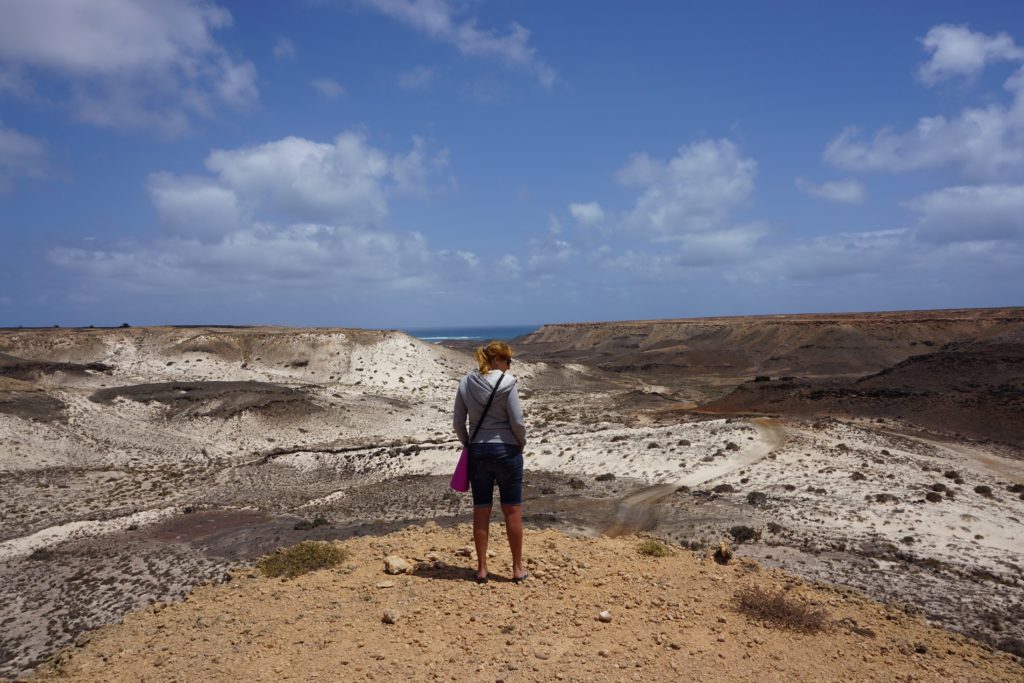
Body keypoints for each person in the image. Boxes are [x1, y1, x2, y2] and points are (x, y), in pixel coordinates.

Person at [453, 340, 528, 584]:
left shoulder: (465, 383)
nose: (509, 366)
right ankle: (517, 569)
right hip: (507, 450)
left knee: (481, 509)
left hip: (478, 452)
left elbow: (457, 423)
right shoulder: (508, 383)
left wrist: (468, 443)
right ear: (497, 360)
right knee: (512, 509)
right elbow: (517, 421)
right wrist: (520, 442)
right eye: (508, 361)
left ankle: (482, 569)